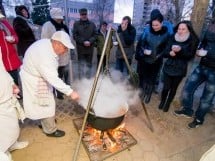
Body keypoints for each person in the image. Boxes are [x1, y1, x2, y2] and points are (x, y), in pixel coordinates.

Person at [20, 31, 80, 137]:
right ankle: (50, 130)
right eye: (65, 48)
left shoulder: (47, 44)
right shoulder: (45, 56)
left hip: (35, 75)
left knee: (40, 103)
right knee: (47, 104)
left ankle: (44, 123)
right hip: (35, 79)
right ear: (57, 43)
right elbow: (53, 79)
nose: (66, 51)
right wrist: (70, 92)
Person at [174, 20, 215, 128]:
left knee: (206, 98)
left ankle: (199, 118)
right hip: (203, 66)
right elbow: (204, 42)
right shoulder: (211, 26)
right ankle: (187, 110)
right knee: (188, 88)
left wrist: (209, 53)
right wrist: (200, 49)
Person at [158, 21, 199, 112]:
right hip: (169, 66)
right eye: (179, 28)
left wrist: (180, 50)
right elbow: (164, 52)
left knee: (173, 88)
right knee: (166, 87)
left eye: (183, 29)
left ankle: (168, 103)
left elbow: (190, 56)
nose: (180, 31)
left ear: (189, 29)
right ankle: (163, 100)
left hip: (180, 67)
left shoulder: (193, 39)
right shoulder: (172, 37)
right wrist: (169, 53)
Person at [135, 11, 170, 104]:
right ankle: (142, 93)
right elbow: (141, 43)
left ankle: (149, 94)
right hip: (145, 59)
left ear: (162, 23)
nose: (154, 27)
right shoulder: (147, 30)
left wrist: (158, 55)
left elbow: (166, 48)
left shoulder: (166, 34)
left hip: (156, 60)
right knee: (143, 77)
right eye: (153, 25)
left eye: (157, 25)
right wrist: (144, 50)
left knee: (152, 79)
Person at [0, 51, 28, 161]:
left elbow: (1, 68)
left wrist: (11, 83)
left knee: (12, 125)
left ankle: (12, 144)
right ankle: (3, 150)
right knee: (2, 129)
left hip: (7, 96)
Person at [41, 7, 70, 100]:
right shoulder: (48, 25)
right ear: (53, 17)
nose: (60, 19)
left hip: (65, 55)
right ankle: (57, 91)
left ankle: (64, 89)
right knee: (57, 74)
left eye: (61, 18)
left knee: (64, 72)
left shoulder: (63, 26)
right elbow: (45, 41)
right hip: (55, 55)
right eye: (58, 18)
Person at [73, 8, 97, 79]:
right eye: (82, 14)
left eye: (85, 14)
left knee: (89, 65)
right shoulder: (76, 24)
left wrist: (90, 41)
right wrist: (83, 41)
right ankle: (81, 81)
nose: (84, 16)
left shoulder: (92, 24)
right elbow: (75, 35)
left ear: (87, 14)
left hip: (90, 49)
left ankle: (88, 81)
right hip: (81, 49)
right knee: (81, 66)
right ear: (80, 15)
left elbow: (95, 34)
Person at [0, 13, 22, 87]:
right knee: (4, 79)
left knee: (14, 77)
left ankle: (16, 92)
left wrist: (13, 39)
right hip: (1, 58)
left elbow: (15, 35)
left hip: (11, 56)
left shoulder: (5, 23)